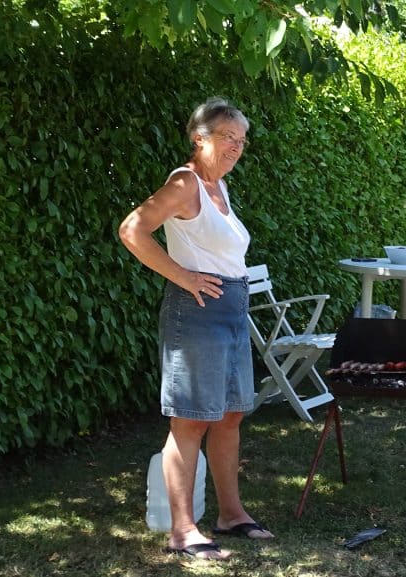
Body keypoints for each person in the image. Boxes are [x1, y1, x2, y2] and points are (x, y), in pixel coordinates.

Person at [118, 97, 274, 562]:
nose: (236, 148)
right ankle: (183, 531)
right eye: (228, 138)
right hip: (197, 311)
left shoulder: (219, 187)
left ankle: (231, 514)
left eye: (241, 141)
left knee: (228, 416)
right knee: (190, 421)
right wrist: (181, 276)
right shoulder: (185, 183)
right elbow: (132, 229)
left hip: (230, 308)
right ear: (199, 137)